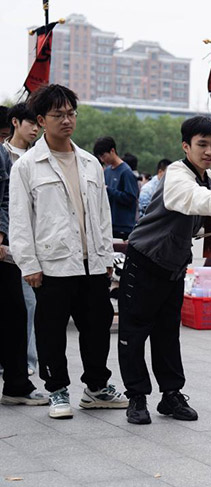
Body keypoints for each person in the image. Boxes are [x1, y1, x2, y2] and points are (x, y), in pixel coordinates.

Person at [9, 84, 127, 419]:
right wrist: (28, 264)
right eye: (58, 115)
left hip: (91, 265)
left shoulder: (91, 163)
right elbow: (20, 220)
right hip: (52, 265)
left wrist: (105, 259)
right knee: (51, 330)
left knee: (97, 325)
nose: (67, 120)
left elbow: (102, 216)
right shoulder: (28, 166)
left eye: (71, 113)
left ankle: (96, 388)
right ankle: (57, 389)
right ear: (42, 120)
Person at [119, 116, 211, 425]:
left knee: (167, 333)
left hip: (174, 265)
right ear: (185, 146)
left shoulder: (210, 179)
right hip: (144, 259)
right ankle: (136, 397)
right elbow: (187, 198)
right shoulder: (175, 173)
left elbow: (203, 212)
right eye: (202, 145)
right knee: (134, 333)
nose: (209, 151)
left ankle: (171, 395)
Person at [0, 144, 48, 407]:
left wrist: (1, 232)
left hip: (3, 253)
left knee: (15, 314)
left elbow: (7, 199)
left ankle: (16, 384)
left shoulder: (4, 156)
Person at [3, 102, 41, 375]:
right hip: (7, 239)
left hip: (31, 242)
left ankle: (26, 361)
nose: (36, 130)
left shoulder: (39, 156)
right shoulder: (4, 154)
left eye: (39, 125)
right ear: (15, 122)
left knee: (28, 303)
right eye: (31, 124)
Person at [94, 137, 139, 240]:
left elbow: (131, 198)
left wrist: (109, 190)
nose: (102, 160)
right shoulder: (107, 171)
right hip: (109, 224)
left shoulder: (126, 172)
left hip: (123, 226)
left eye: (104, 156)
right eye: (100, 157)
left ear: (112, 151)